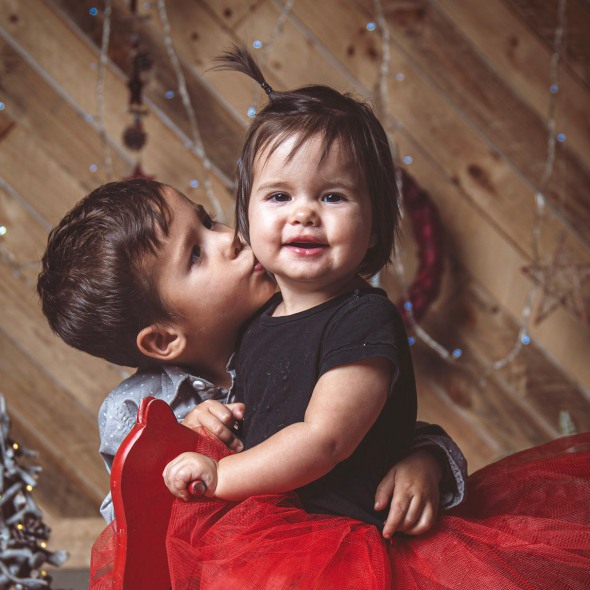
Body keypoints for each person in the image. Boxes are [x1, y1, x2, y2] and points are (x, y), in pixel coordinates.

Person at [158, 47, 590, 589]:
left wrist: (222, 475)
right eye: (279, 195)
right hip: (269, 531)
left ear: (376, 223)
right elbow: (254, 411)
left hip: (350, 543)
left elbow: (325, 440)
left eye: (333, 196)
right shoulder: (257, 318)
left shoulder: (363, 319)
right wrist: (212, 423)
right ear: (246, 218)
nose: (304, 212)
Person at [37, 177, 466, 534]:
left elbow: (371, 422)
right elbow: (132, 527)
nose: (230, 238)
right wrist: (181, 442)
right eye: (196, 253)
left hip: (344, 542)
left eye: (208, 220)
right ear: (164, 340)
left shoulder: (300, 322)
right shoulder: (139, 411)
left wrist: (425, 460)